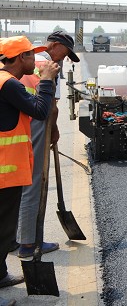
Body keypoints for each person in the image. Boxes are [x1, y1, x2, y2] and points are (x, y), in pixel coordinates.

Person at [0, 36, 59, 292]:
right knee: (3, 230)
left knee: (5, 230)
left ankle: (1, 274)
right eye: (31, 55)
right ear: (20, 57)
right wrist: (46, 80)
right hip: (5, 170)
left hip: (7, 168)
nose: (35, 61)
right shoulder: (9, 84)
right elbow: (40, 110)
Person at [16, 31, 79, 259]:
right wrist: (54, 131)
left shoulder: (25, 60)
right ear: (54, 45)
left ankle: (13, 238)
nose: (65, 57)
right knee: (34, 182)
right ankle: (28, 243)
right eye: (66, 51)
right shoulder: (49, 66)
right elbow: (52, 107)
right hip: (37, 124)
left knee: (16, 184)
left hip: (17, 126)